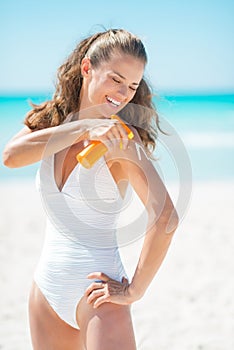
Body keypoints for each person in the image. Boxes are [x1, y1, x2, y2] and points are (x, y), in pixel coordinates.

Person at [3, 28, 179, 350]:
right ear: (87, 69)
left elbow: (165, 216)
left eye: (132, 86)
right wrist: (83, 126)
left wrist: (135, 289)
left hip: (99, 296)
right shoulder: (54, 122)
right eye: (116, 79)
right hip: (45, 291)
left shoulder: (122, 140)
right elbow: (11, 157)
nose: (123, 94)